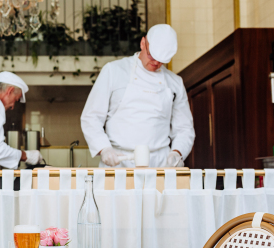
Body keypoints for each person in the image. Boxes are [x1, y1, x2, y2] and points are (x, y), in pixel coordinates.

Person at [80, 24, 195, 168]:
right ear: (143, 43)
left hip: (160, 164)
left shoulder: (175, 83)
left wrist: (177, 153)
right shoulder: (113, 71)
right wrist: (104, 148)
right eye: (152, 55)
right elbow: (91, 117)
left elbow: (184, 129)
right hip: (119, 161)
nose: (156, 62)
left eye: (162, 60)